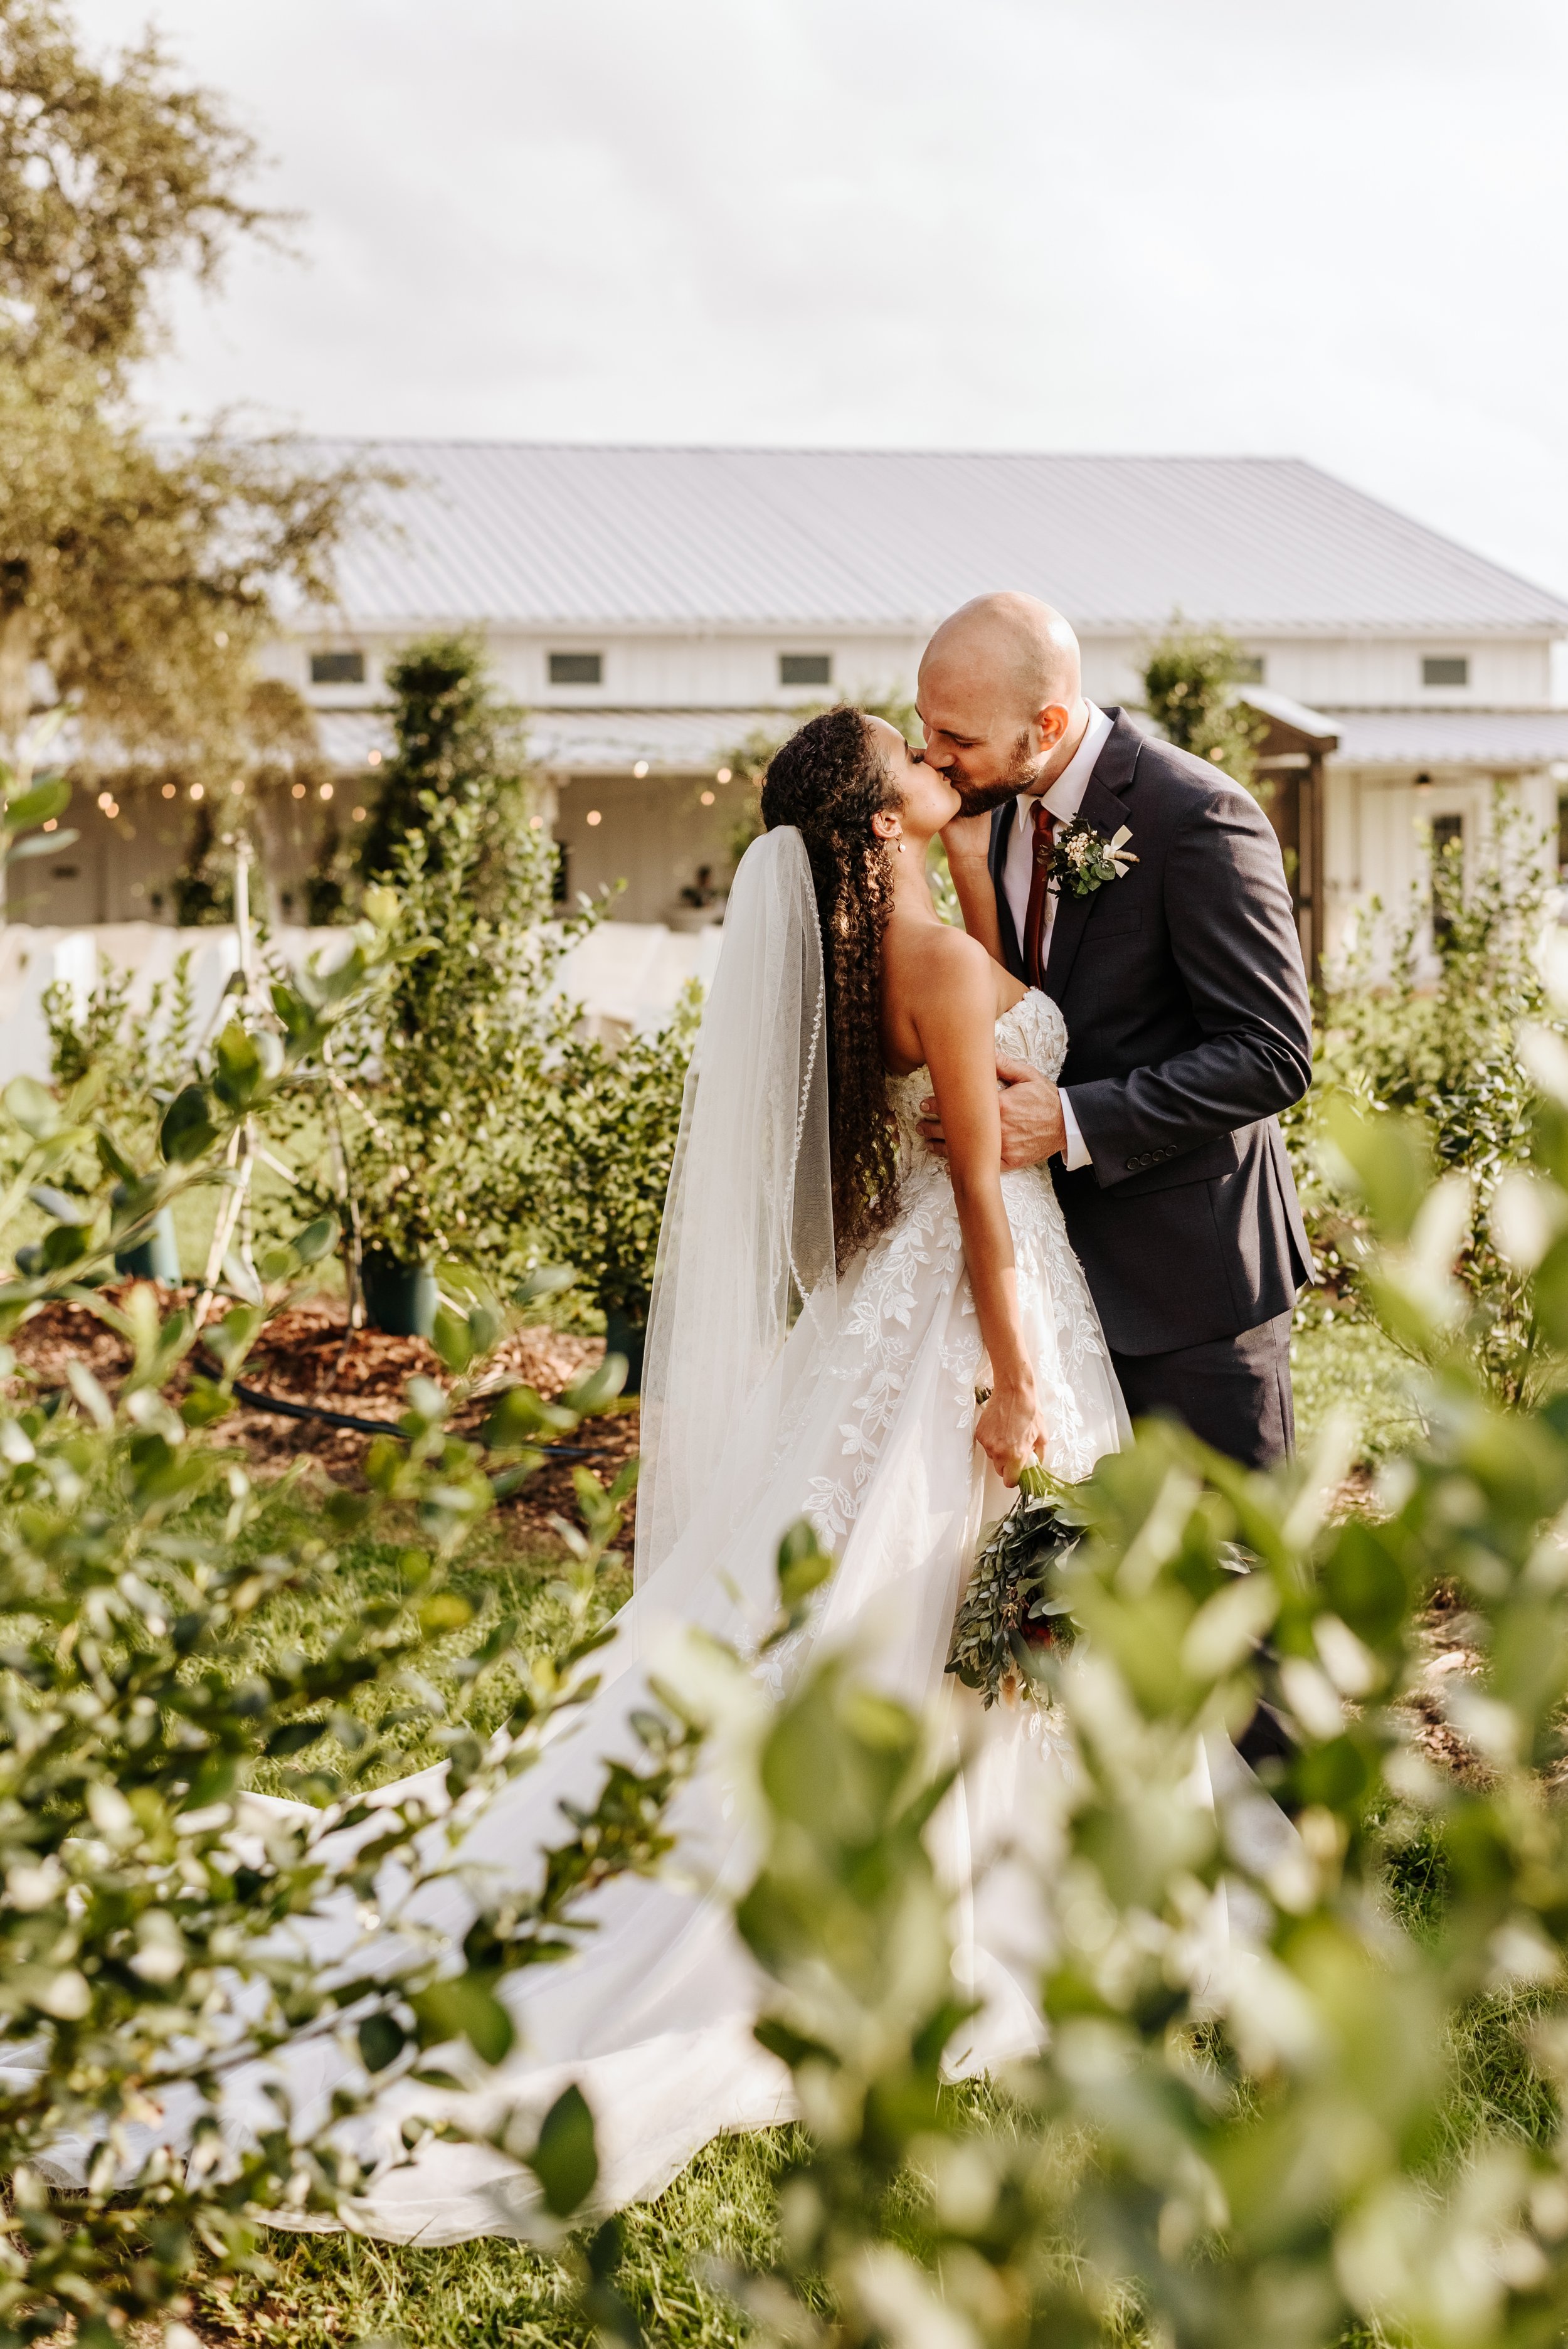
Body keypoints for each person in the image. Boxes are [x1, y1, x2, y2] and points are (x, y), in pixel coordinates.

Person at [173, 701, 1130, 2243]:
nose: (939, 773)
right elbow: (972, 1193)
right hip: (977, 1309)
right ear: (875, 820)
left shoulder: (877, 952)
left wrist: (965, 860)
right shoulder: (942, 966)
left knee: (907, 1603)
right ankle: (961, 1903)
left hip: (905, 1315)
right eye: (914, 766)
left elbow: (943, 1067)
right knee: (939, 1592)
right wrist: (1012, 1382)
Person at [921, 593, 1314, 1470]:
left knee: (1231, 1580)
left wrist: (1067, 1121)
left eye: (959, 738)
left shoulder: (1198, 817)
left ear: (1048, 722)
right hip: (1067, 1284)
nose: (935, 757)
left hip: (1197, 1290)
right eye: (926, 726)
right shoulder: (1002, 814)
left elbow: (1272, 1052)